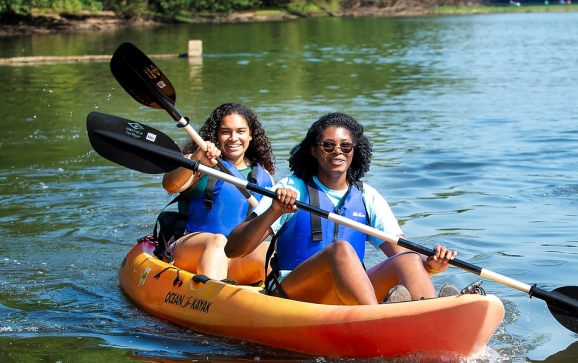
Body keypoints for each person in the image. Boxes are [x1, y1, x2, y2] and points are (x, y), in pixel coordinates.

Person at [226, 112, 459, 304]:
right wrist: (274, 211)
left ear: (354, 151)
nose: (338, 151)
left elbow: (401, 254)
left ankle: (431, 311)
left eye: (345, 146)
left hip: (346, 296)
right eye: (328, 145)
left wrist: (430, 264)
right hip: (293, 295)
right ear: (314, 151)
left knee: (409, 259)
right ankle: (375, 319)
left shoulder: (367, 196)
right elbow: (233, 250)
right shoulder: (290, 188)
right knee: (341, 250)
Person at [161, 103, 276, 284]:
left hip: (237, 254)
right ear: (216, 135)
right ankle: (213, 297)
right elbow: (170, 185)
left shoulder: (265, 176)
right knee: (218, 242)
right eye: (225, 132)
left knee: (268, 251)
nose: (233, 138)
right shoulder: (200, 162)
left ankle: (283, 302)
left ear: (250, 134)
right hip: (194, 247)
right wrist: (197, 159)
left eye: (240, 131)